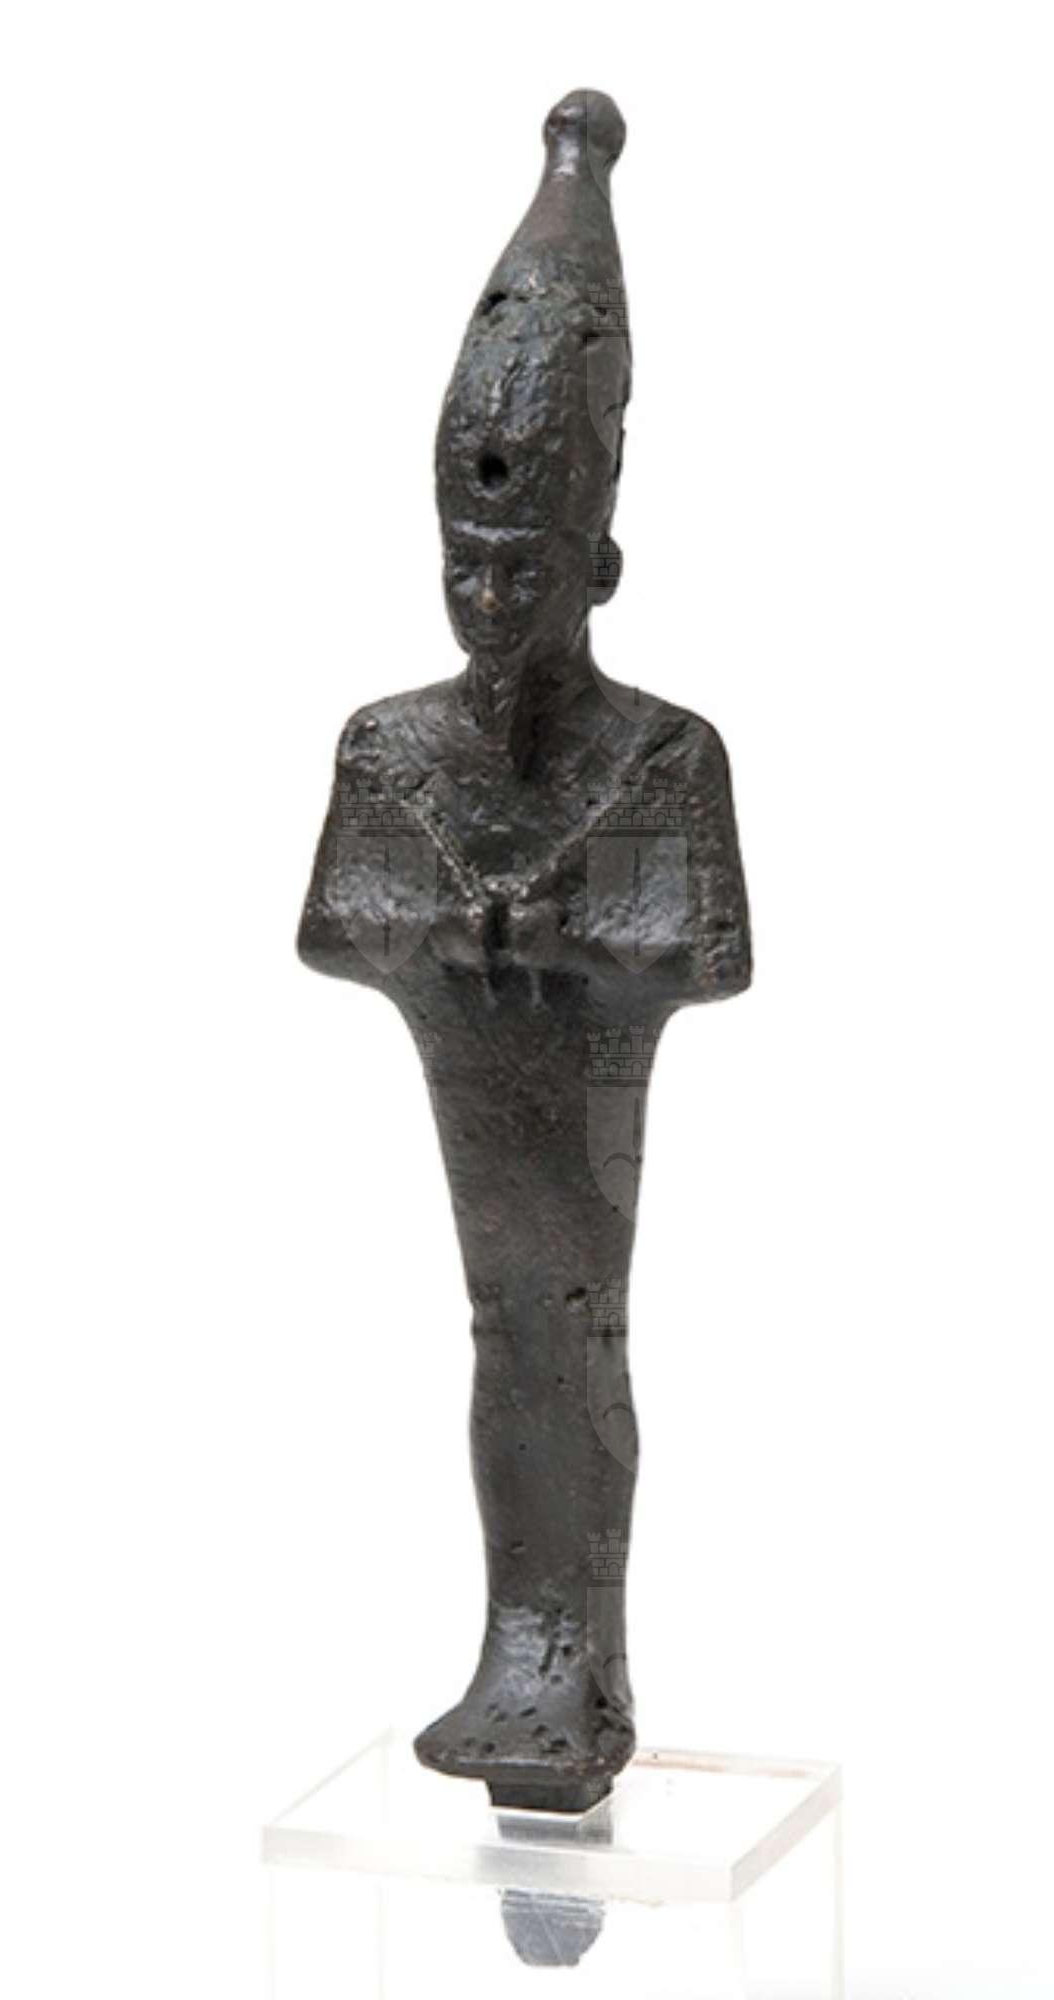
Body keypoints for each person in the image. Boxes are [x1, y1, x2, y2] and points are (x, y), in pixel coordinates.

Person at [299, 89, 751, 1811]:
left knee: (569, 1333)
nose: (489, 605)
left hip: (576, 1097)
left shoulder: (661, 755)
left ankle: (572, 1662)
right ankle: (519, 1652)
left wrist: (554, 935)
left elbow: (703, 948)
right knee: (509, 1335)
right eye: (466, 571)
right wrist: (454, 928)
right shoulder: (390, 745)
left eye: (523, 572)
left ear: (599, 559)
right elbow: (335, 924)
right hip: (477, 1088)